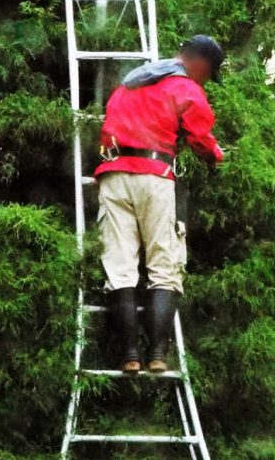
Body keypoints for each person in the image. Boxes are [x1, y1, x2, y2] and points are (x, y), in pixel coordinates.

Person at [94, 35, 225, 373]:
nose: (205, 81)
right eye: (208, 74)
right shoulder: (184, 87)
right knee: (164, 266)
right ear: (199, 63)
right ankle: (157, 355)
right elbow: (201, 139)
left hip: (113, 174)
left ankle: (129, 356)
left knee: (119, 266)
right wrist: (215, 156)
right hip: (153, 176)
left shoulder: (131, 82)